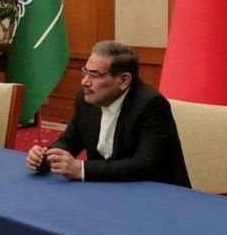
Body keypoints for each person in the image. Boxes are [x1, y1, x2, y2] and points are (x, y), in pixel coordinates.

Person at [26, 40, 191, 187]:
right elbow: (69, 141)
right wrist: (46, 156)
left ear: (124, 81)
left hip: (155, 193)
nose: (85, 82)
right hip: (105, 188)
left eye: (95, 74)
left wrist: (82, 169)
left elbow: (145, 164)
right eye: (86, 72)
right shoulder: (87, 99)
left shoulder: (151, 105)